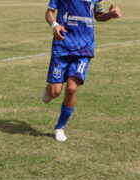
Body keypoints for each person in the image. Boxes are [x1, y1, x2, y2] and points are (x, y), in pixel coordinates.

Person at [40, 0, 121, 142]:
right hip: (62, 45)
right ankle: (50, 89)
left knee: (72, 88)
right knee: (55, 92)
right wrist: (55, 25)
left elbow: (98, 15)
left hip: (84, 48)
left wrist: (110, 14)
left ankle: (60, 127)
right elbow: (49, 13)